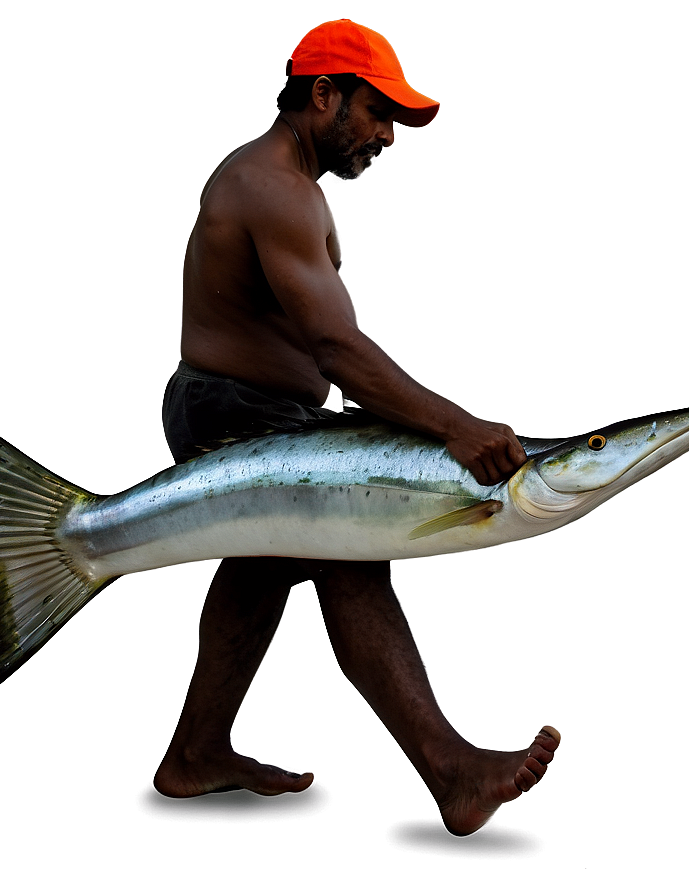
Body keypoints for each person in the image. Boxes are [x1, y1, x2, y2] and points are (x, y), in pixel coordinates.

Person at [153, 18, 561, 837]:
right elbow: (336, 349)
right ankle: (450, 771)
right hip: (239, 417)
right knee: (353, 565)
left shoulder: (291, 190)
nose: (384, 136)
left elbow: (328, 354)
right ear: (324, 94)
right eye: (378, 113)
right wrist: (455, 425)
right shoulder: (272, 188)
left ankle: (194, 754)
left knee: (256, 579)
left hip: (266, 414)